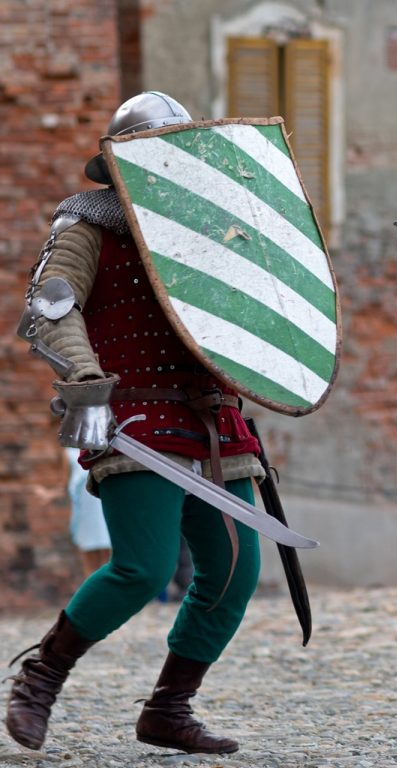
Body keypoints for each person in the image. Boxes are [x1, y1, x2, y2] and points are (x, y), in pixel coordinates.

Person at [7, 92, 267, 755]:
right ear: (116, 162)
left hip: (210, 414)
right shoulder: (86, 224)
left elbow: (252, 311)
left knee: (235, 571)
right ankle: (41, 676)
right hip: (133, 413)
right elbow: (51, 308)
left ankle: (168, 709)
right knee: (143, 567)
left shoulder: (210, 229)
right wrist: (86, 380)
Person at [65, 446, 111, 577]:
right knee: (89, 556)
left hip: (102, 509)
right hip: (84, 512)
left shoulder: (105, 448)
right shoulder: (69, 454)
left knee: (108, 558)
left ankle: (106, 594)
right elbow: (66, 484)